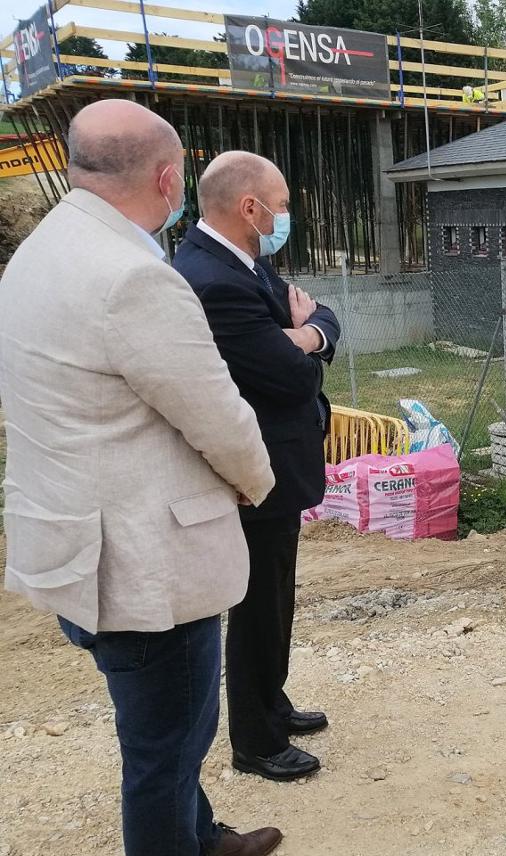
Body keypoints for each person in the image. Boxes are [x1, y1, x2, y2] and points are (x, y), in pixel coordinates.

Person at [0, 100, 287, 856]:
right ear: (168, 179)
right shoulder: (131, 277)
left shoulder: (39, 254)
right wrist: (256, 483)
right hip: (142, 557)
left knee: (162, 727)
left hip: (74, 541)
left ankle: (197, 841)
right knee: (166, 743)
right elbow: (219, 417)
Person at [173, 151, 340, 783]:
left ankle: (272, 701)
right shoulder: (213, 281)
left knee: (274, 596)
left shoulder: (244, 264)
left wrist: (309, 330)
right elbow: (290, 375)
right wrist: (304, 338)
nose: (286, 216)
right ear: (251, 208)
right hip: (255, 472)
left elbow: (318, 318)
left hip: (276, 466)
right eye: (285, 204)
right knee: (257, 606)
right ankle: (257, 740)